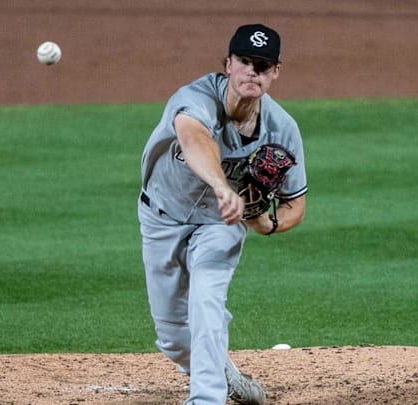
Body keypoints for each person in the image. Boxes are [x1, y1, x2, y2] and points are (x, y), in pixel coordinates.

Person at [137, 23, 307, 405]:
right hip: (162, 217)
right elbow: (194, 138)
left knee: (206, 303)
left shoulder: (282, 128)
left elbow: (296, 204)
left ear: (275, 72)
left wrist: (266, 222)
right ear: (227, 64)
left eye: (263, 66)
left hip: (221, 224)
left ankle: (206, 399)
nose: (253, 72)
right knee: (172, 336)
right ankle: (224, 374)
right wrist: (221, 186)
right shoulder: (194, 98)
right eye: (245, 62)